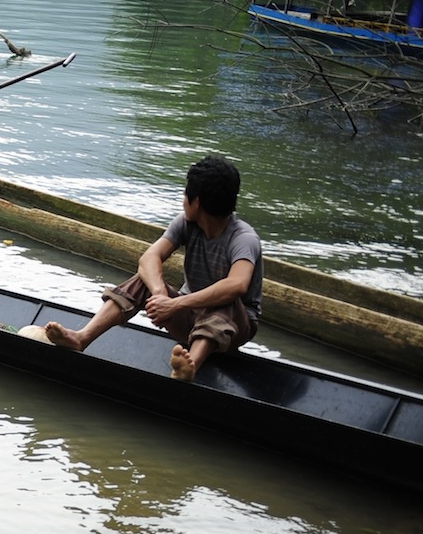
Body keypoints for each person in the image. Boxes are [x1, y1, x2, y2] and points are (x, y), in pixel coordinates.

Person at [45, 155, 262, 381]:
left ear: (196, 202)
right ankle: (82, 338)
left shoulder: (243, 238)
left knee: (224, 298)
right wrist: (160, 295)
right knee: (143, 279)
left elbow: (237, 284)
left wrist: (175, 303)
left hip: (233, 328)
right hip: (189, 318)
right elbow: (149, 258)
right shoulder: (186, 223)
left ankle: (190, 368)